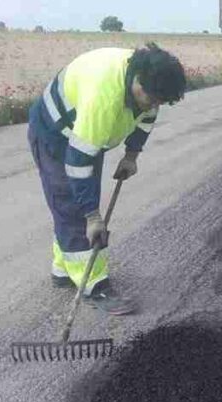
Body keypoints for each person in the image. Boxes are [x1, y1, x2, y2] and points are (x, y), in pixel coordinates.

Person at [28, 43, 187, 313]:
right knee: (72, 204)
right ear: (138, 81)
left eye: (160, 101)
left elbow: (146, 117)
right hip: (55, 135)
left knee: (76, 203)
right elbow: (78, 164)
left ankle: (63, 270)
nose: (154, 105)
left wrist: (132, 155)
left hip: (87, 136)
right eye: (152, 99)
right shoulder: (103, 98)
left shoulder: (149, 85)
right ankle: (94, 285)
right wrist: (92, 216)